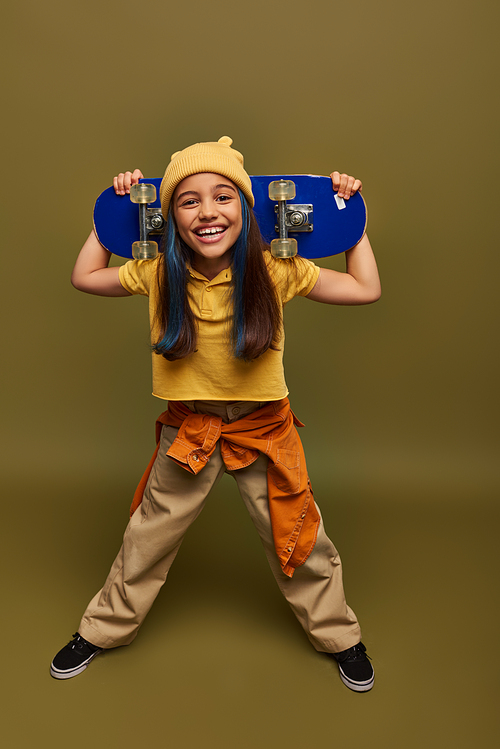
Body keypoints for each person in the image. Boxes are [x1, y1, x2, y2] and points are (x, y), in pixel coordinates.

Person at [50, 136, 381, 691]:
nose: (208, 212)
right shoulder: (157, 274)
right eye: (189, 201)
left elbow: (365, 288)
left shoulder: (277, 270)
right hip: (191, 428)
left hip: (263, 428)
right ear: (170, 216)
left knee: (300, 535)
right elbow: (86, 277)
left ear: (245, 209)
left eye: (223, 197)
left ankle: (340, 636)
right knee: (146, 538)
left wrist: (352, 223)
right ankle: (101, 630)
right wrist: (109, 217)